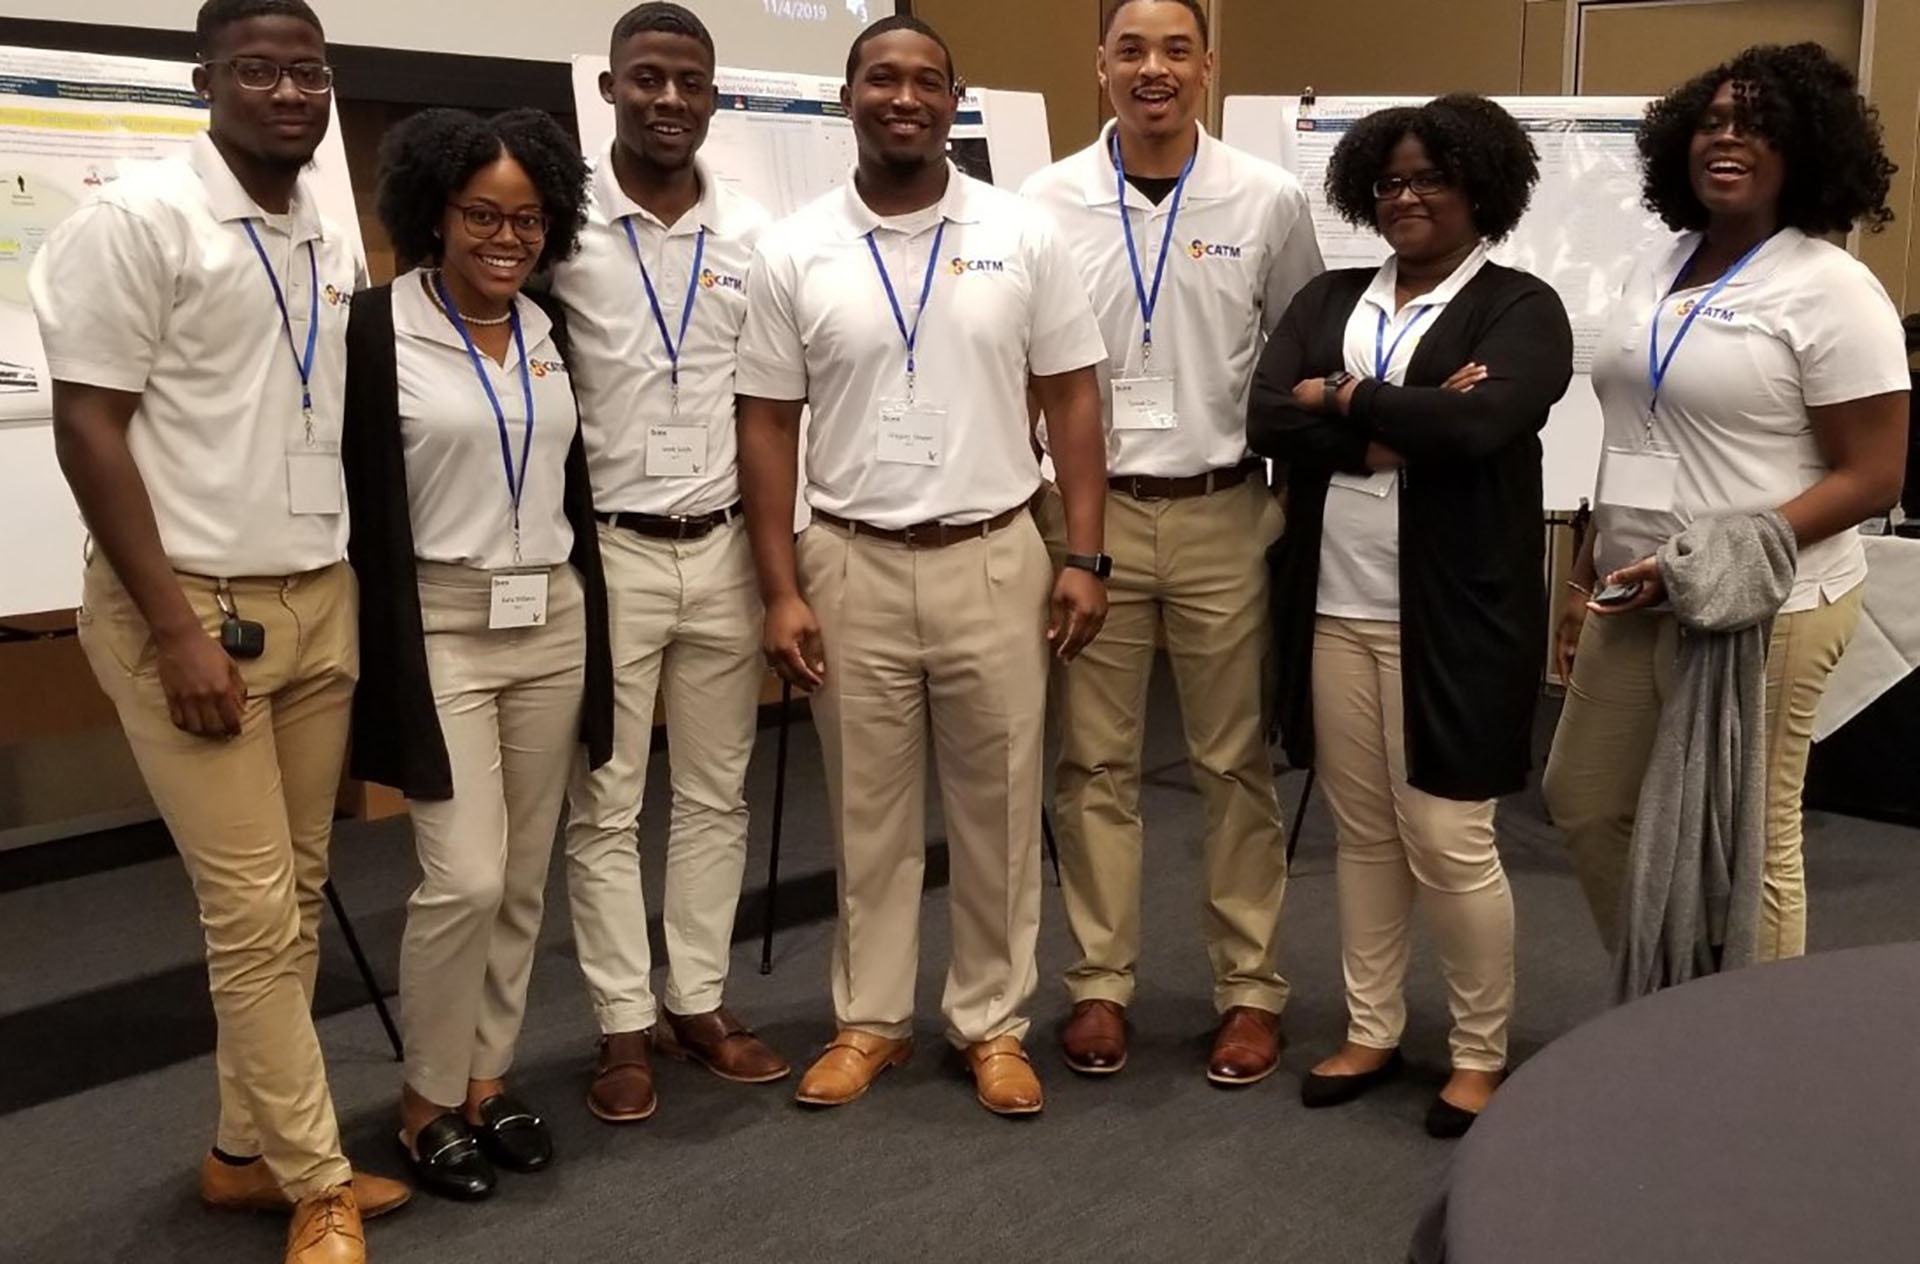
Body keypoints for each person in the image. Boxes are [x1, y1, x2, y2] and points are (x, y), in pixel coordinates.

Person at [26, 2, 410, 1259]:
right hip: (193, 610)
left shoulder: (322, 226)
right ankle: (316, 1180)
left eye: (310, 70)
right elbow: (88, 426)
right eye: (259, 69)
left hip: (316, 595)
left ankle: (244, 1153)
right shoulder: (138, 223)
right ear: (206, 80)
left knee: (295, 897)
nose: (290, 92)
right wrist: (173, 630)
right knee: (248, 913)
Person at [736, 15, 1111, 1117]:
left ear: (955, 100)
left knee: (1000, 808)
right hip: (849, 561)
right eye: (881, 78)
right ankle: (871, 1020)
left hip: (993, 555)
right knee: (869, 814)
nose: (904, 98)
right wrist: (780, 588)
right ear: (847, 95)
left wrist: (1085, 554)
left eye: (926, 82)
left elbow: (1073, 400)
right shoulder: (795, 248)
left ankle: (993, 1022)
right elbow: (767, 424)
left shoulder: (1022, 233)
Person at [1247, 94, 1574, 1137]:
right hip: (1333, 604)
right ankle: (1371, 1028)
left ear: (1481, 186)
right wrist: (1395, 423)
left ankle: (1479, 1053)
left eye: (1431, 177)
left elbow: (1483, 423)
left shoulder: (1521, 307)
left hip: (1460, 614)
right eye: (1389, 181)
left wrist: (1339, 397)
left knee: (1448, 833)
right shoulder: (1331, 293)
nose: (1407, 196)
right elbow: (1264, 413)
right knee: (1364, 833)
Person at [1544, 43, 1909, 960]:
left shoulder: (1832, 288)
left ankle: (1750, 1037)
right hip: (1634, 590)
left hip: (1765, 603)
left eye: (1756, 126)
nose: (1726, 139)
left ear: (1805, 149)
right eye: (1711, 122)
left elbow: (1875, 475)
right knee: (1586, 799)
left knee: (1748, 841)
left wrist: (1718, 555)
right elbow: (1633, 430)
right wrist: (1585, 569)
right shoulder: (1657, 264)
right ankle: (1670, 997)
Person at [1020, 0, 1322, 1086]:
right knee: (1092, 761)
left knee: (1232, 762)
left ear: (1207, 65)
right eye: (1132, 49)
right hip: (1086, 519)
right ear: (1098, 64)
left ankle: (1250, 990)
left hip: (1220, 512)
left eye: (1176, 50)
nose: (1154, 68)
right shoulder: (1042, 202)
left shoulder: (1268, 197)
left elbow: (1300, 357)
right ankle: (1099, 984)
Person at [342, 107, 609, 1202]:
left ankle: (487, 1078)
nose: (507, 238)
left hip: (551, 619)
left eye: (528, 219)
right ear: (435, 215)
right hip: (442, 622)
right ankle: (424, 1100)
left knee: (524, 875)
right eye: (482, 216)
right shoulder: (375, 330)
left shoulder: (548, 328)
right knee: (466, 876)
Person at [550, 2, 787, 1127]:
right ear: (609, 89)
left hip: (725, 546)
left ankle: (696, 1000)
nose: (669, 100)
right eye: (647, 78)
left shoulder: (753, 235)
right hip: (608, 554)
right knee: (606, 800)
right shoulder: (558, 230)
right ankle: (620, 1021)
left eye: (690, 81)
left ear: (714, 95)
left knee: (714, 792)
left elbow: (772, 404)